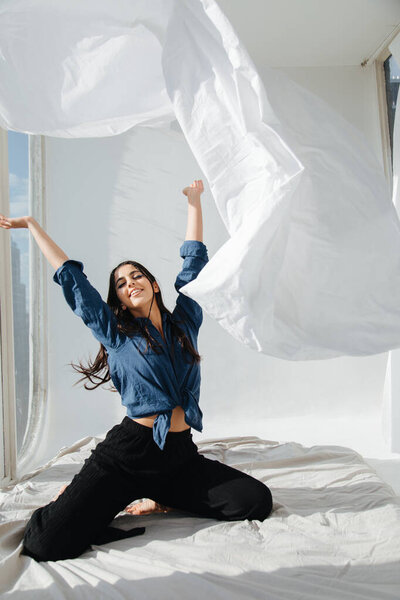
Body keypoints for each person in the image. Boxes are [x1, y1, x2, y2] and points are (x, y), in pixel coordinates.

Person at [0, 179, 273, 562]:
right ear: (121, 301)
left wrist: (194, 202)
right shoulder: (116, 334)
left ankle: (160, 497)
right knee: (46, 543)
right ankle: (80, 497)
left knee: (254, 501)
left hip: (179, 457)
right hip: (128, 456)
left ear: (154, 284)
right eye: (122, 284)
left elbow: (194, 265)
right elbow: (73, 280)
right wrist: (32, 224)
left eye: (136, 276)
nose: (130, 284)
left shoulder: (185, 324)